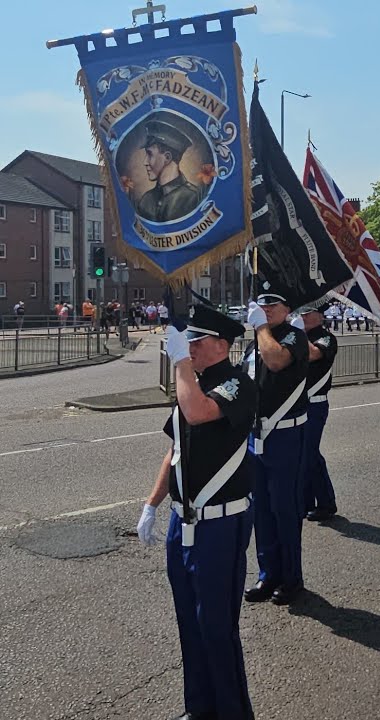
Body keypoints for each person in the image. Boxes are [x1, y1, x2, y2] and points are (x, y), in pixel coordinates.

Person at [136, 305, 257, 719]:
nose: (188, 348)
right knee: (189, 622)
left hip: (221, 522)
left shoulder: (238, 383)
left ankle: (231, 713)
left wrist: (182, 365)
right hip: (181, 521)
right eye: (187, 342)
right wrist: (152, 504)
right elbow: (175, 452)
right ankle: (200, 708)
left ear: (221, 345)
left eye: (196, 341)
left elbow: (198, 413)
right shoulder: (197, 381)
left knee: (217, 627)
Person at [241, 293, 310, 606]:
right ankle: (268, 573)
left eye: (272, 306)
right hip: (257, 437)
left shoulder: (294, 336)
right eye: (262, 305)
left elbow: (276, 360)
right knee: (262, 511)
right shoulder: (255, 341)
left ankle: (291, 578)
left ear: (287, 309)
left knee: (285, 509)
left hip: (284, 436)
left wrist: (259, 329)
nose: (265, 310)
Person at [300, 305, 339, 522]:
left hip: (315, 403)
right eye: (302, 313)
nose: (303, 316)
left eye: (308, 313)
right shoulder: (299, 336)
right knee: (300, 455)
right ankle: (306, 502)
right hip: (296, 404)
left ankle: (326, 503)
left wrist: (297, 335)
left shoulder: (326, 338)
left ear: (320, 316)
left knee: (310, 453)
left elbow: (313, 354)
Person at [135, 120, 205, 223]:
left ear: (167, 157)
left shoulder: (193, 198)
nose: (145, 162)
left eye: (150, 154)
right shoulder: (146, 200)